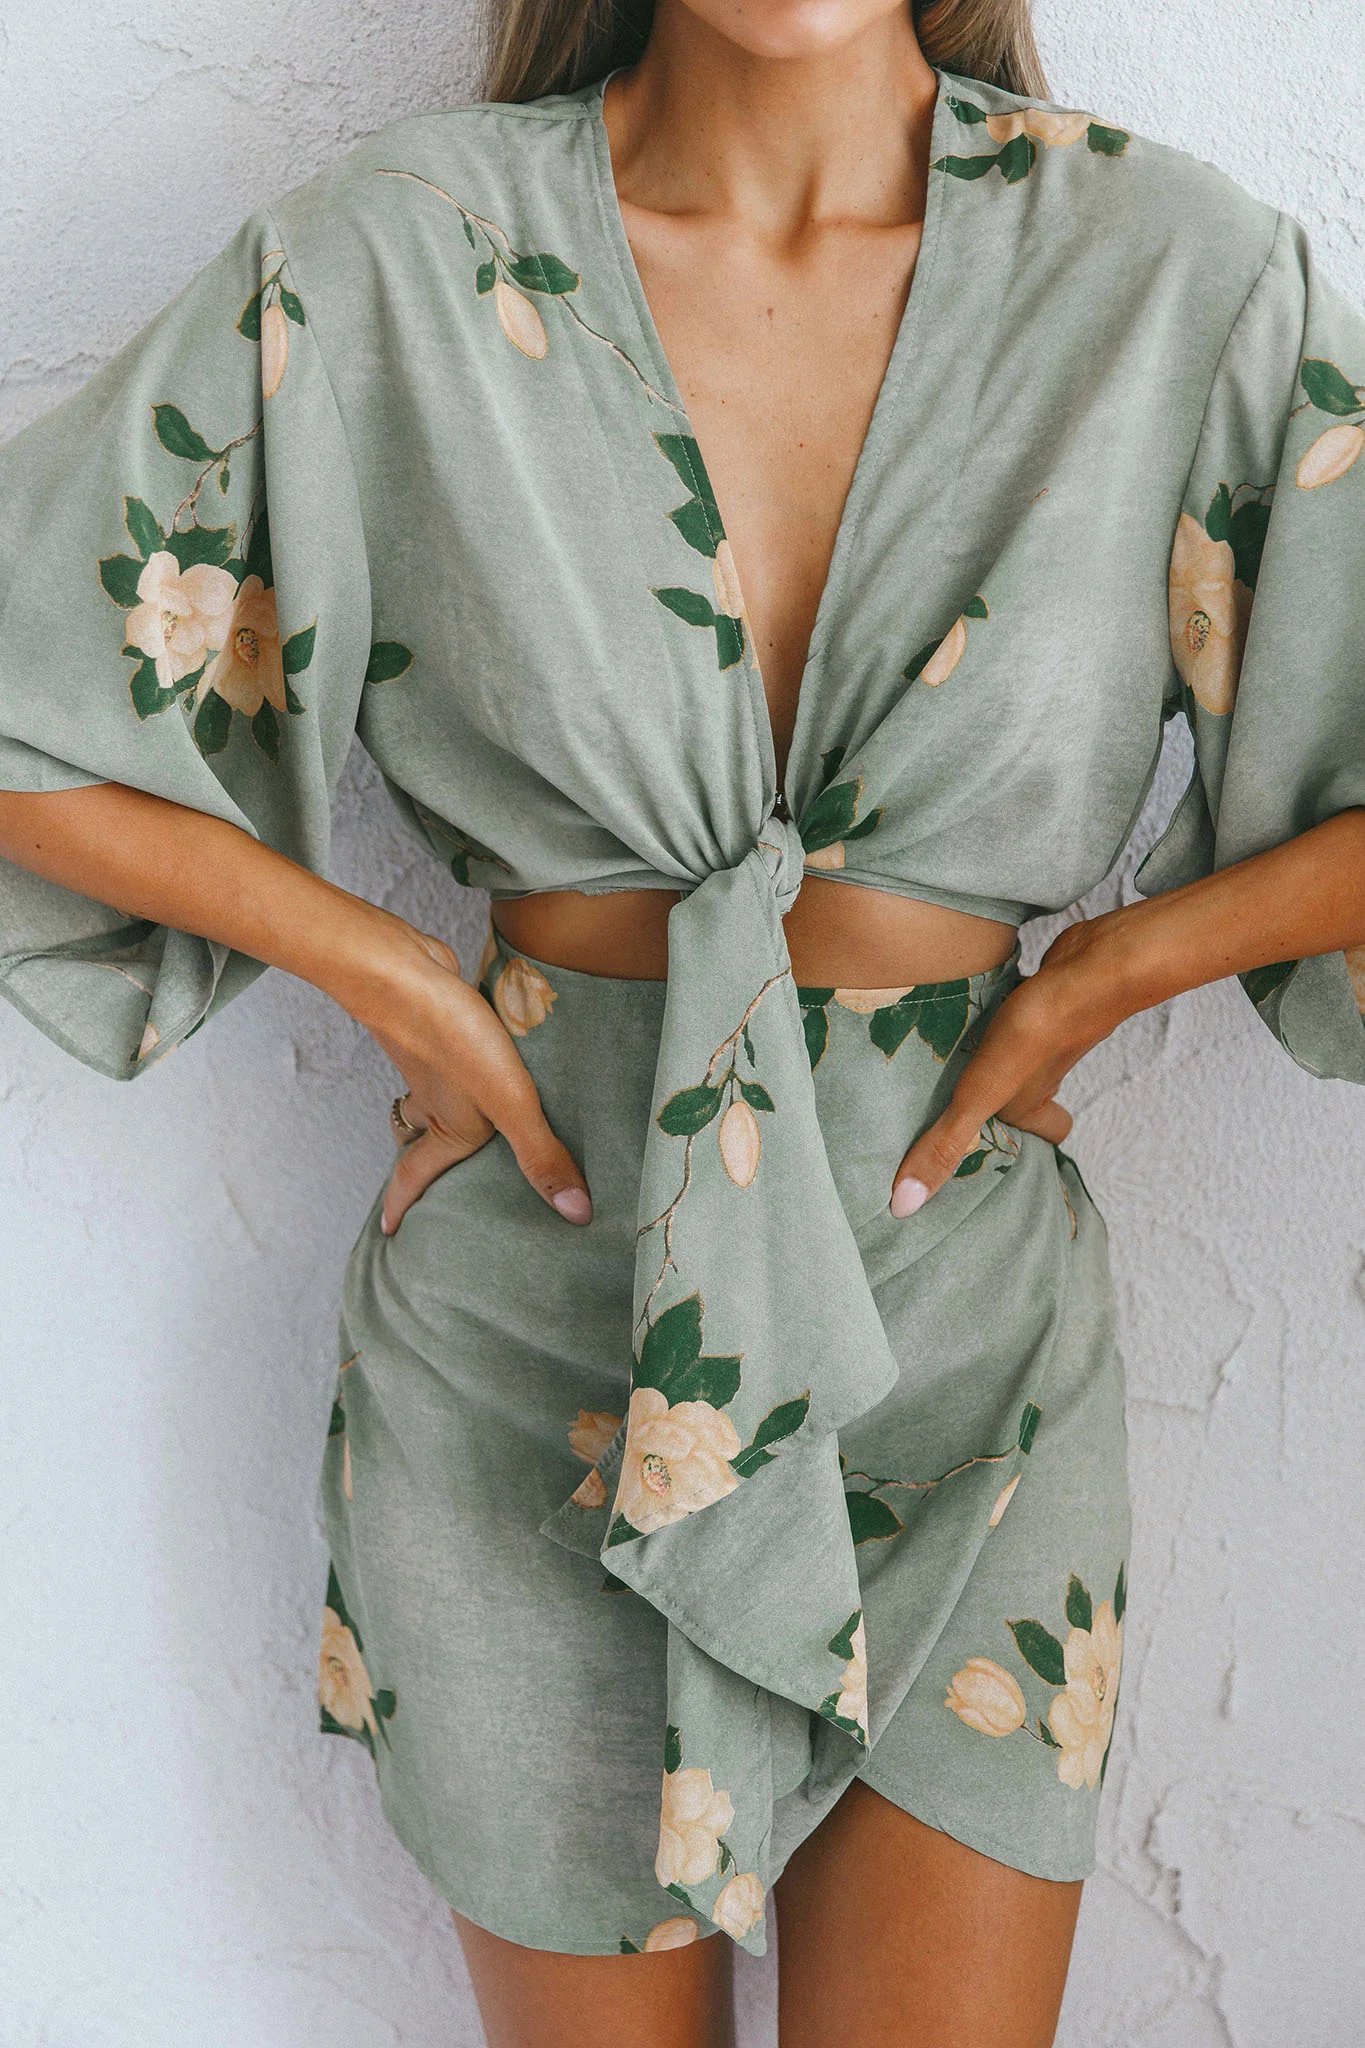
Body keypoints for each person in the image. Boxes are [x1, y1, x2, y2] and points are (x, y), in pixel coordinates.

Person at [3, 0, 1364, 2039]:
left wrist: (1114, 966)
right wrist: (382, 969)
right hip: (532, 1323)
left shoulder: (1173, 274)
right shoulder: (398, 256)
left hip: (957, 1342)